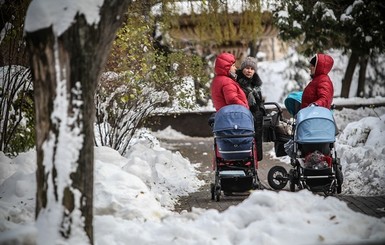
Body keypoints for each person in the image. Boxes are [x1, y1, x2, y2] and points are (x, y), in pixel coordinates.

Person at [236, 56, 266, 161]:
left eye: (252, 69)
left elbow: (260, 100)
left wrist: (261, 109)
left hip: (257, 117)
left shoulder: (256, 84)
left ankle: (254, 162)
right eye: (247, 68)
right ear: (242, 68)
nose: (249, 71)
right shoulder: (237, 82)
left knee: (256, 143)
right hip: (244, 116)